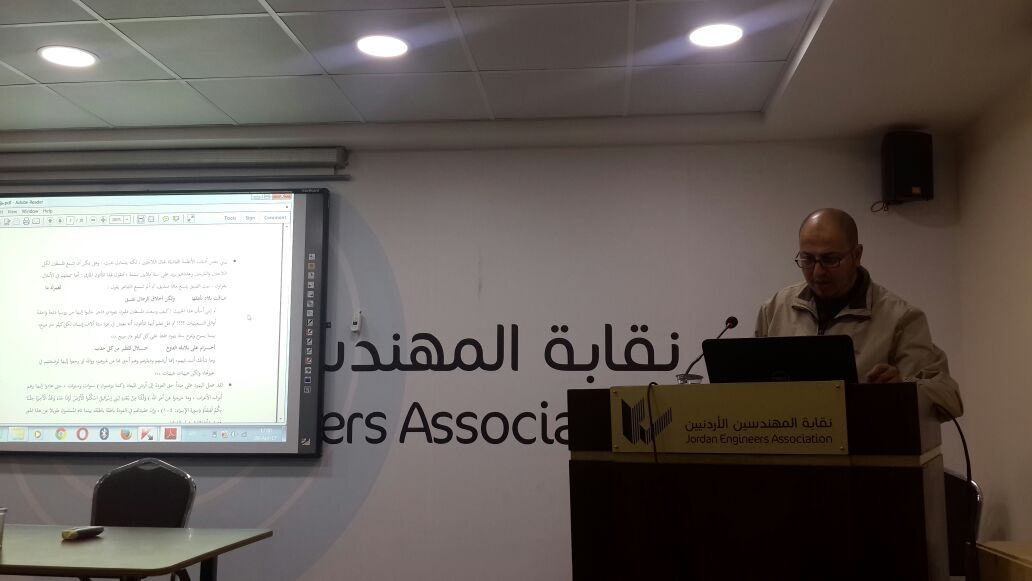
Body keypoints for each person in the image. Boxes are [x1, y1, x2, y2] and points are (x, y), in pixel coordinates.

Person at [754, 208, 963, 419]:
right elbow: (750, 385)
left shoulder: (901, 318)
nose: (817, 272)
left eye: (830, 259)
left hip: (867, 438)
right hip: (789, 435)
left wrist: (902, 389)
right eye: (807, 259)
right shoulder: (775, 308)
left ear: (856, 255)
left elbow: (949, 397)